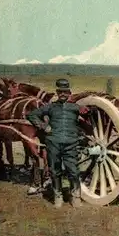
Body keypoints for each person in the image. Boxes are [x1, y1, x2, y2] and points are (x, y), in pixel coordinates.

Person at [27, 79, 89, 208]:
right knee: (55, 171)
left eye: (65, 92)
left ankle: (75, 196)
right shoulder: (50, 107)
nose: (63, 94)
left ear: (69, 93)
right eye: (60, 91)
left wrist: (87, 110)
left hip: (71, 144)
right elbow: (32, 115)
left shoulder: (75, 107)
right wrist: (44, 127)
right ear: (57, 92)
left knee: (73, 171)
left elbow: (89, 115)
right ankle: (58, 196)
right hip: (53, 143)